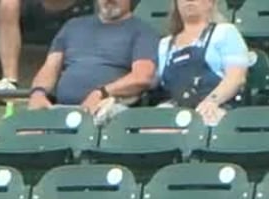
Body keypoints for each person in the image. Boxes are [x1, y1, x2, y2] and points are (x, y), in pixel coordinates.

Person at [26, 0, 158, 124]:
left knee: (98, 121)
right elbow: (49, 68)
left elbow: (142, 77)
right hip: (62, 109)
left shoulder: (142, 31)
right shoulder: (73, 26)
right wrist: (38, 93)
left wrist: (102, 92)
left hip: (108, 107)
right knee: (27, 130)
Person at [153, 0, 252, 126]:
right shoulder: (165, 44)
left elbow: (236, 77)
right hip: (177, 108)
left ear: (211, 2)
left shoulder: (225, 32)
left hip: (217, 106)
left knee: (202, 123)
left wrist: (212, 101)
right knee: (150, 128)